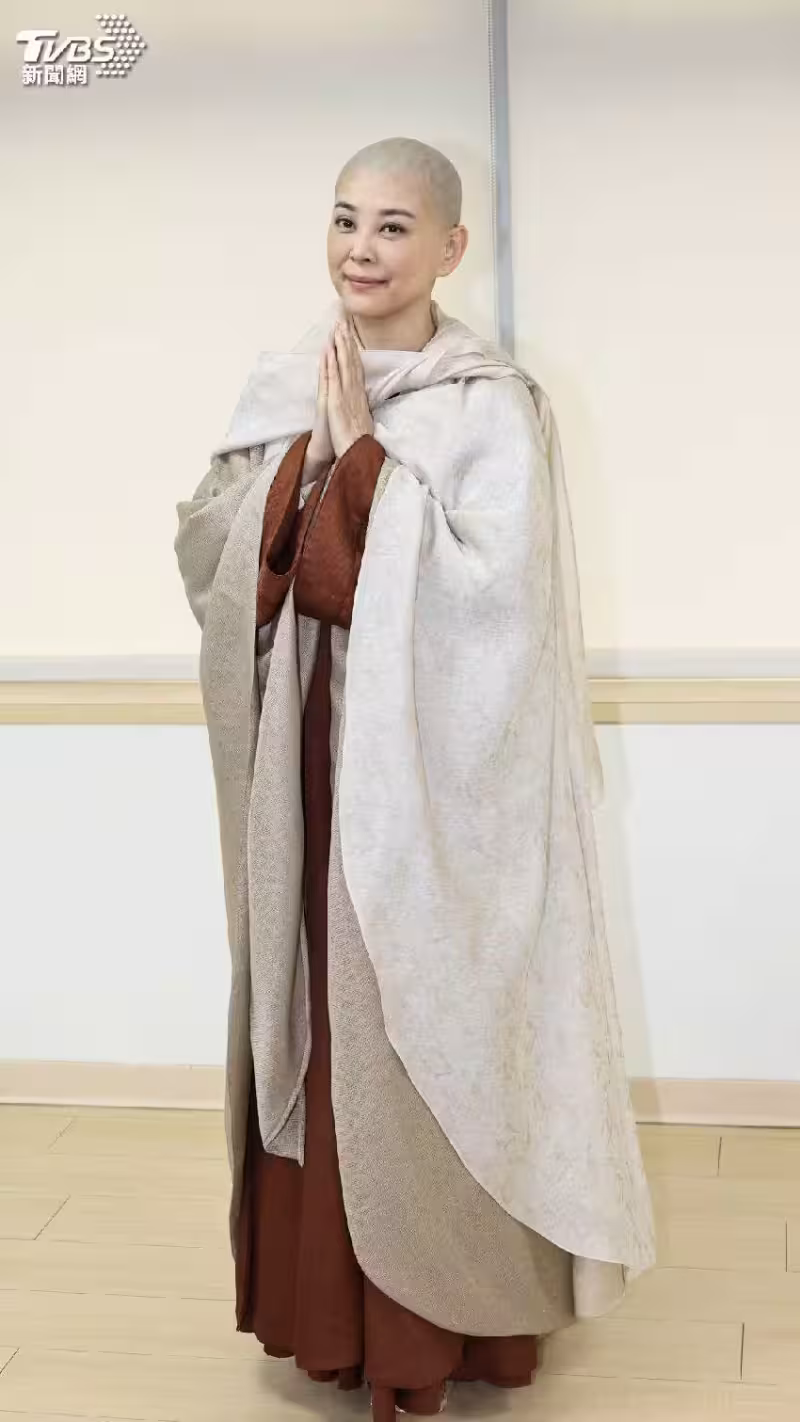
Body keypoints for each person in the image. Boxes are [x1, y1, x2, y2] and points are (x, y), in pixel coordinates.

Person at [175, 136, 655, 1420]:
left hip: (430, 799)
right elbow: (209, 548)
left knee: (410, 1027)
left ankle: (428, 1339)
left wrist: (361, 463)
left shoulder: (488, 406)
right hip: (309, 777)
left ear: (449, 248)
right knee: (319, 1018)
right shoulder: (287, 379)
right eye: (343, 220)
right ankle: (324, 1321)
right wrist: (307, 464)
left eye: (393, 226)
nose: (360, 249)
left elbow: (496, 604)